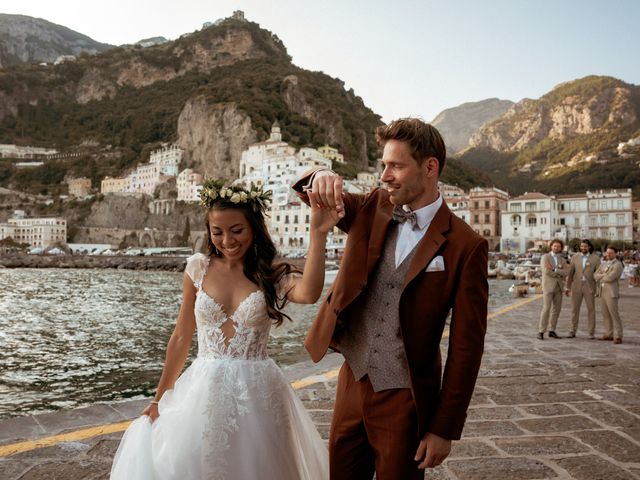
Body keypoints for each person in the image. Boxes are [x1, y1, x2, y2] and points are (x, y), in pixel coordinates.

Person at [292, 118, 488, 479]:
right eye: (383, 165)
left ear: (430, 168)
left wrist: (444, 428)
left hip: (406, 396)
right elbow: (310, 192)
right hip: (353, 379)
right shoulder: (372, 207)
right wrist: (319, 173)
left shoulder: (466, 245)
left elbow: (467, 346)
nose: (385, 175)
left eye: (395, 165)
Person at [110, 179, 338, 479]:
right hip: (203, 390)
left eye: (237, 230)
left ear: (254, 227)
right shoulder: (197, 269)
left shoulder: (271, 275)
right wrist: (157, 399)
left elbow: (309, 293)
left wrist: (318, 234)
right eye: (217, 232)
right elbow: (181, 337)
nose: (227, 240)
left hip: (259, 392)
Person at [565, 239, 600, 339]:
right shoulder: (575, 257)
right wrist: (567, 287)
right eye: (582, 246)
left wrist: (598, 290)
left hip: (589, 287)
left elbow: (598, 274)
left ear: (589, 247)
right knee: (574, 310)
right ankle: (572, 331)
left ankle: (591, 333)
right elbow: (571, 273)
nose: (583, 248)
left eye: (585, 246)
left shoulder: (596, 258)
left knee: (591, 310)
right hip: (576, 286)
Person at [538, 239, 568, 340]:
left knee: (557, 310)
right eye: (555, 246)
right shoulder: (545, 257)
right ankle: (541, 331)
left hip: (559, 287)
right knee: (546, 309)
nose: (556, 248)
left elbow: (566, 272)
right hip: (548, 286)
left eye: (558, 246)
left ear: (561, 248)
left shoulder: (562, 260)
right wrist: (559, 272)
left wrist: (555, 270)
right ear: (551, 246)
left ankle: (552, 330)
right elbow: (546, 271)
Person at [595, 245, 624, 344]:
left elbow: (610, 277)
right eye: (607, 252)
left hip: (611, 292)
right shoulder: (604, 264)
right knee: (605, 314)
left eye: (611, 253)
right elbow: (595, 275)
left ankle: (619, 335)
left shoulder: (618, 264)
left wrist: (601, 276)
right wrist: (603, 275)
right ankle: (609, 334)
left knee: (614, 314)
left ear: (615, 254)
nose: (608, 254)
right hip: (602, 291)